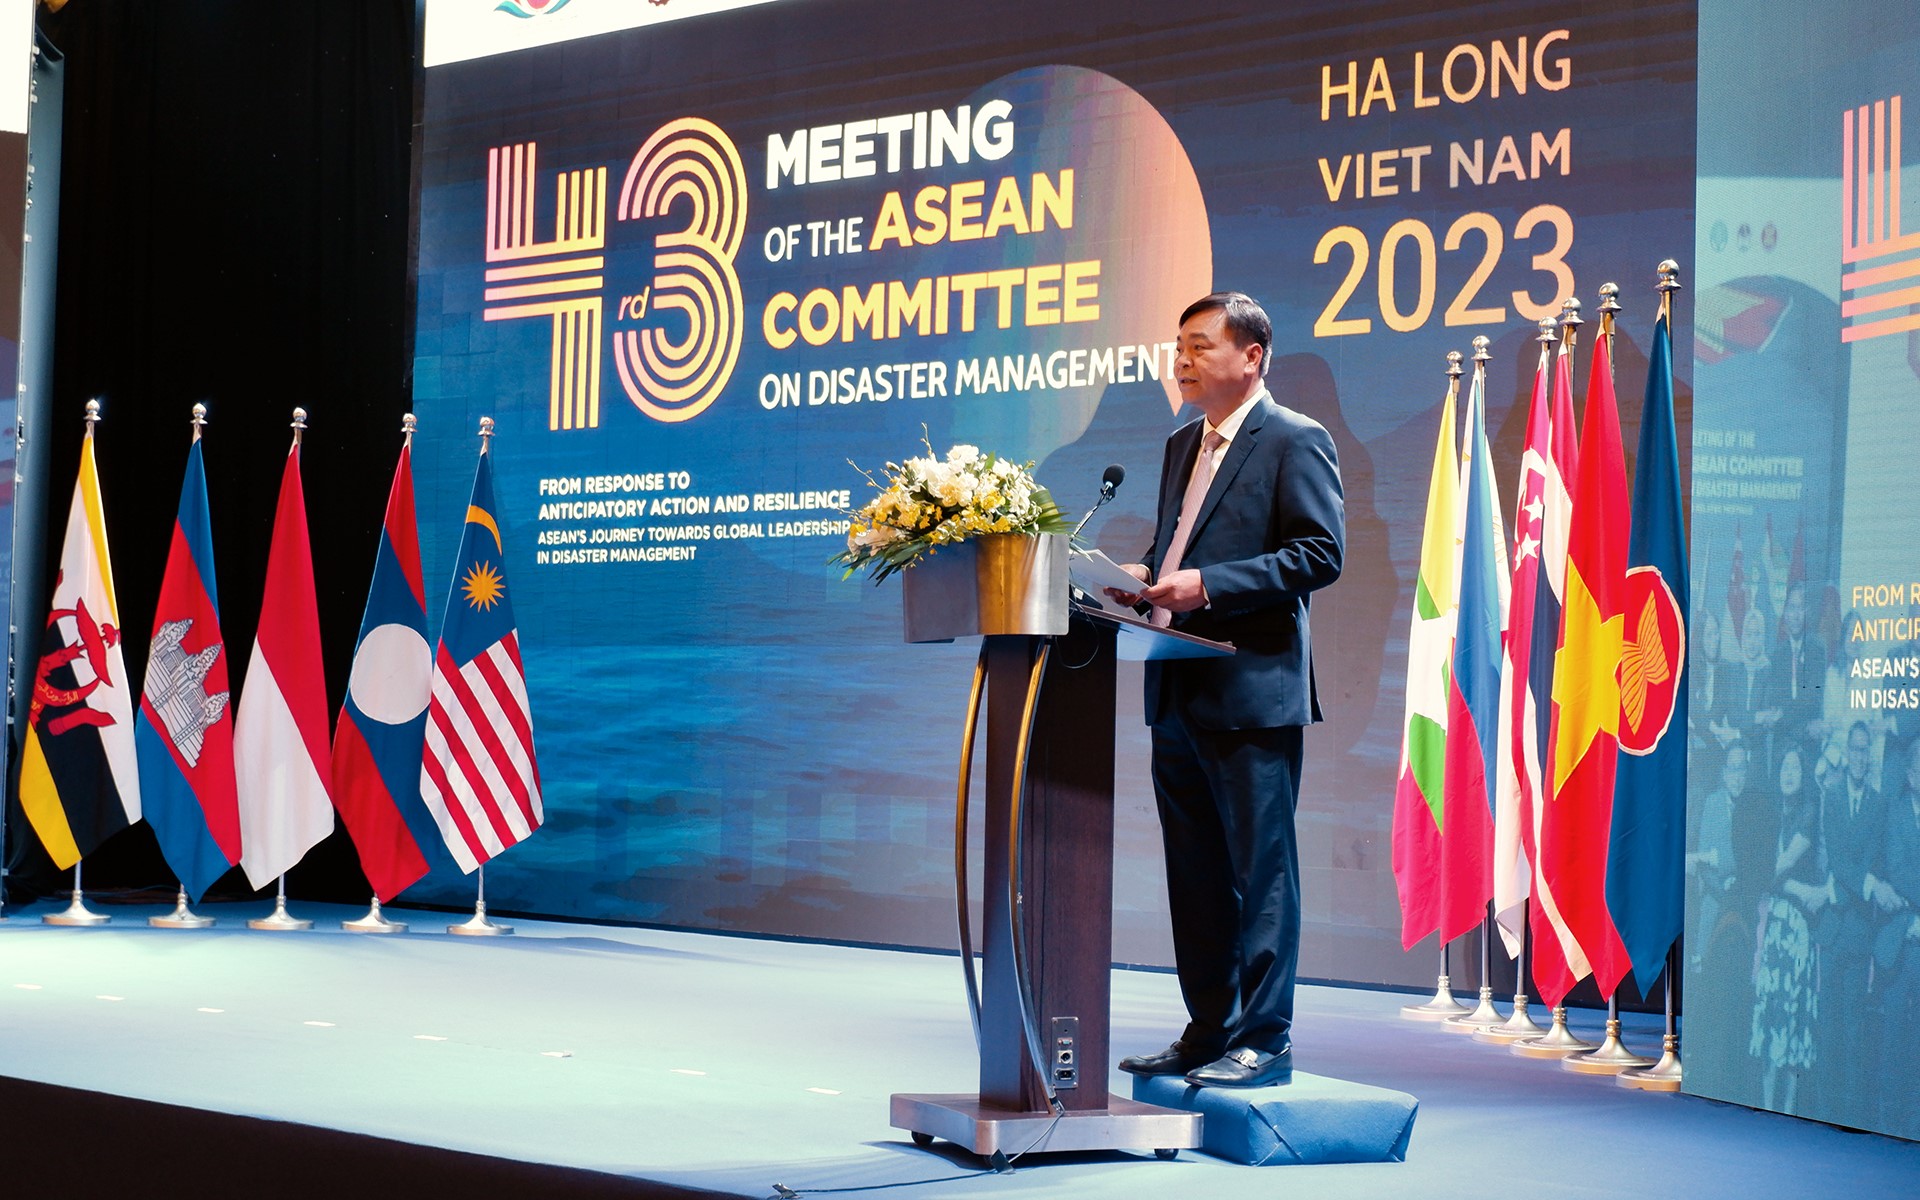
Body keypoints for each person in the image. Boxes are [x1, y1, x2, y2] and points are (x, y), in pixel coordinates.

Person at [1104, 291, 1344, 1088]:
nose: (1183, 358)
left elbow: (1318, 554)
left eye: (1202, 345)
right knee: (1196, 873)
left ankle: (1265, 1038)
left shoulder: (1294, 440)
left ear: (1253, 357)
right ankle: (1209, 1029)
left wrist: (1207, 586)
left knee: (1261, 870)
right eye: (1179, 345)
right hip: (1175, 686)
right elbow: (1178, 540)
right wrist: (1141, 572)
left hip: (1251, 687)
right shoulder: (1183, 444)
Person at [1748, 747, 1827, 1113]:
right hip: (1774, 922)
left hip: (1796, 929)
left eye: (1796, 766)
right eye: (1784, 765)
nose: (1789, 772)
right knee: (1772, 1011)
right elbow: (1764, 872)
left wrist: (1784, 884)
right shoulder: (1768, 814)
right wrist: (1797, 889)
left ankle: (1790, 1108)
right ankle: (1767, 1103)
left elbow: (1776, 867)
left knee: (1793, 1015)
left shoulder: (1808, 815)